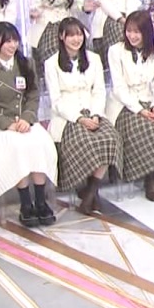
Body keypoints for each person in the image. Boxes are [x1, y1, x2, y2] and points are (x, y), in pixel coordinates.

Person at [0, 22, 58, 227]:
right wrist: (7, 124)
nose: (12, 45)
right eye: (7, 41)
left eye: (15, 41)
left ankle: (41, 200)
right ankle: (25, 203)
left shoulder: (26, 63)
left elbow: (33, 94)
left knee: (40, 143)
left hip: (24, 121)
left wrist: (27, 118)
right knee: (17, 147)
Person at [44, 17, 120, 214]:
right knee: (84, 140)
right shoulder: (51, 63)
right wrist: (79, 119)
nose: (76, 39)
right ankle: (86, 190)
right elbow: (56, 101)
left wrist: (95, 115)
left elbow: (99, 91)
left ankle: (91, 192)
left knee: (109, 137)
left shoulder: (93, 58)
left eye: (79, 34)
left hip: (92, 110)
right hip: (67, 116)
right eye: (71, 35)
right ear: (62, 37)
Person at [106, 10, 154, 201]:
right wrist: (140, 110)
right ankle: (149, 179)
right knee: (144, 128)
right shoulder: (115, 51)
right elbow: (119, 88)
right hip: (125, 104)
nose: (132, 36)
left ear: (146, 32)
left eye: (137, 32)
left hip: (149, 99)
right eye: (129, 31)